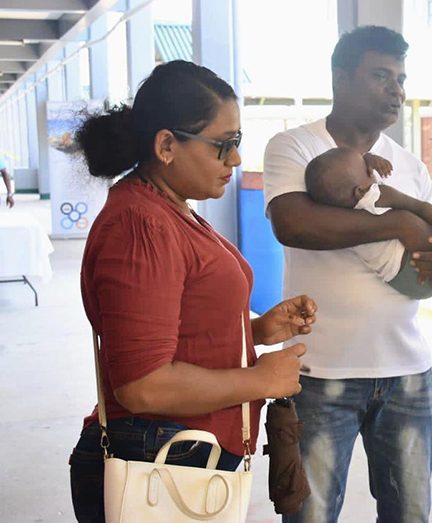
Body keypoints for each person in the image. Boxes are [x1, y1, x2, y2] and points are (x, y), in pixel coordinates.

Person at [68, 60, 316, 523]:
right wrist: (260, 380)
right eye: (224, 145)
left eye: (237, 143)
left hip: (181, 455)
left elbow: (180, 327)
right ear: (166, 145)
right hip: (161, 459)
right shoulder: (139, 224)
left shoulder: (169, 206)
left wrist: (255, 330)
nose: (236, 159)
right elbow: (143, 385)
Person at [263, 25, 432, 522]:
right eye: (381, 75)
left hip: (408, 375)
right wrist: (397, 223)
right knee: (309, 516)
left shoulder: (407, 166)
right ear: (341, 78)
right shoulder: (294, 146)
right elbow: (294, 224)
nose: (396, 89)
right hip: (320, 375)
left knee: (410, 516)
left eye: (400, 78)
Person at [304, 147, 432, 299]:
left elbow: (352, 175)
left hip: (406, 283)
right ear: (360, 190)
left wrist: (368, 158)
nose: (368, 164)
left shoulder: (338, 211)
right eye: (364, 165)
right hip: (418, 268)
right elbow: (418, 207)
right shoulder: (375, 196)